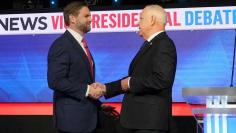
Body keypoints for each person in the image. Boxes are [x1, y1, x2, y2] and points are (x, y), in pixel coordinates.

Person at [94, 4, 177, 133]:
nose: (138, 22)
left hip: (149, 123)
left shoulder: (164, 44)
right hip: (139, 121)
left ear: (152, 20)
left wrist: (129, 83)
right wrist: (106, 88)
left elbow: (162, 80)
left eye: (141, 18)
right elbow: (136, 78)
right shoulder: (151, 44)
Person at [47, 1, 104, 133]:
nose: (91, 19)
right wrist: (88, 90)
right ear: (72, 18)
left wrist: (98, 105)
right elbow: (55, 81)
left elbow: (81, 79)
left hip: (87, 117)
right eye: (86, 16)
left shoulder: (80, 43)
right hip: (72, 121)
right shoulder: (61, 45)